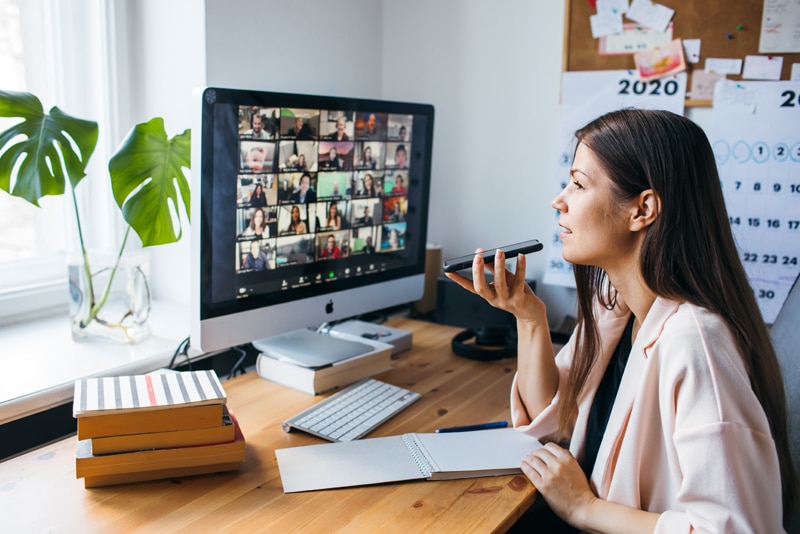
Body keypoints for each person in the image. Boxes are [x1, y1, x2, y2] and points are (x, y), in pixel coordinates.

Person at [445, 108, 797, 532]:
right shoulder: (615, 307)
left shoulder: (694, 341)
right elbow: (553, 420)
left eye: (578, 184)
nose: (560, 200)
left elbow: (737, 529)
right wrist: (530, 318)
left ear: (642, 209)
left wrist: (582, 507)